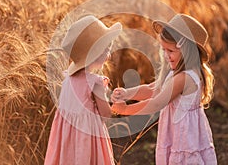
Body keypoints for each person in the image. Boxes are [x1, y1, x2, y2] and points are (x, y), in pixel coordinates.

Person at [111, 14, 217, 164]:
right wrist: (128, 93)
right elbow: (152, 89)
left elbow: (157, 103)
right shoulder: (176, 74)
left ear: (188, 52)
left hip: (184, 137)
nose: (166, 56)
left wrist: (125, 110)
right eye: (163, 50)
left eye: (171, 51)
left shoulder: (184, 78)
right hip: (176, 133)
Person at [45, 15, 122, 165]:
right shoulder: (95, 83)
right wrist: (115, 102)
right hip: (88, 140)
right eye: (106, 49)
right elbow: (105, 114)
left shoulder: (67, 78)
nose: (109, 54)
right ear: (94, 54)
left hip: (66, 142)